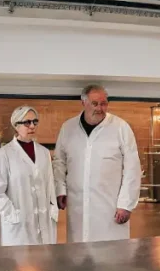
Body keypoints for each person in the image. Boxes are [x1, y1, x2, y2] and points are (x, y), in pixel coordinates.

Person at [53, 84, 142, 242]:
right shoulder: (68, 128)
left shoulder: (120, 128)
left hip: (111, 208)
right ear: (83, 103)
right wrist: (60, 189)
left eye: (104, 103)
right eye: (95, 103)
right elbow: (59, 161)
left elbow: (132, 168)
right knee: (78, 255)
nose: (100, 108)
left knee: (111, 257)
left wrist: (126, 204)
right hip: (77, 206)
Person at [0, 106, 58, 246]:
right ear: (16, 125)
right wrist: (13, 215)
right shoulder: (4, 154)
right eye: (27, 122)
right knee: (20, 264)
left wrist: (53, 208)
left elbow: (50, 185)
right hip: (19, 224)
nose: (32, 126)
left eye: (35, 121)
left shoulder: (44, 152)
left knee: (44, 262)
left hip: (43, 220)